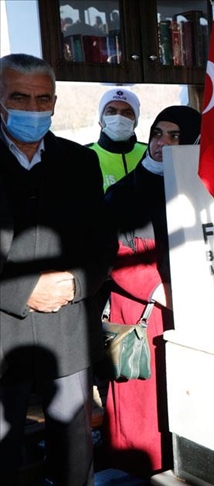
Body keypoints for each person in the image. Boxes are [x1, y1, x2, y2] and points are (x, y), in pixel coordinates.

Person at [0, 53, 116, 485]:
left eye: (42, 99)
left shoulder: (80, 162)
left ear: (54, 103)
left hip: (66, 331)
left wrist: (75, 283)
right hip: (2, 337)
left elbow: (103, 243)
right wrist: (22, 291)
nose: (32, 109)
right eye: (19, 97)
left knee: (73, 458)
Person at [102, 105, 201, 478]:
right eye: (158, 133)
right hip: (145, 315)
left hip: (193, 310)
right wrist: (163, 291)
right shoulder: (124, 193)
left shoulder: (199, 186)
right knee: (146, 412)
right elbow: (116, 256)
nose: (162, 143)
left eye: (175, 136)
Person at [88, 88, 147, 192]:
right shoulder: (84, 156)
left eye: (127, 113)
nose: (118, 118)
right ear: (101, 121)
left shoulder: (149, 153)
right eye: (111, 111)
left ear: (135, 121)